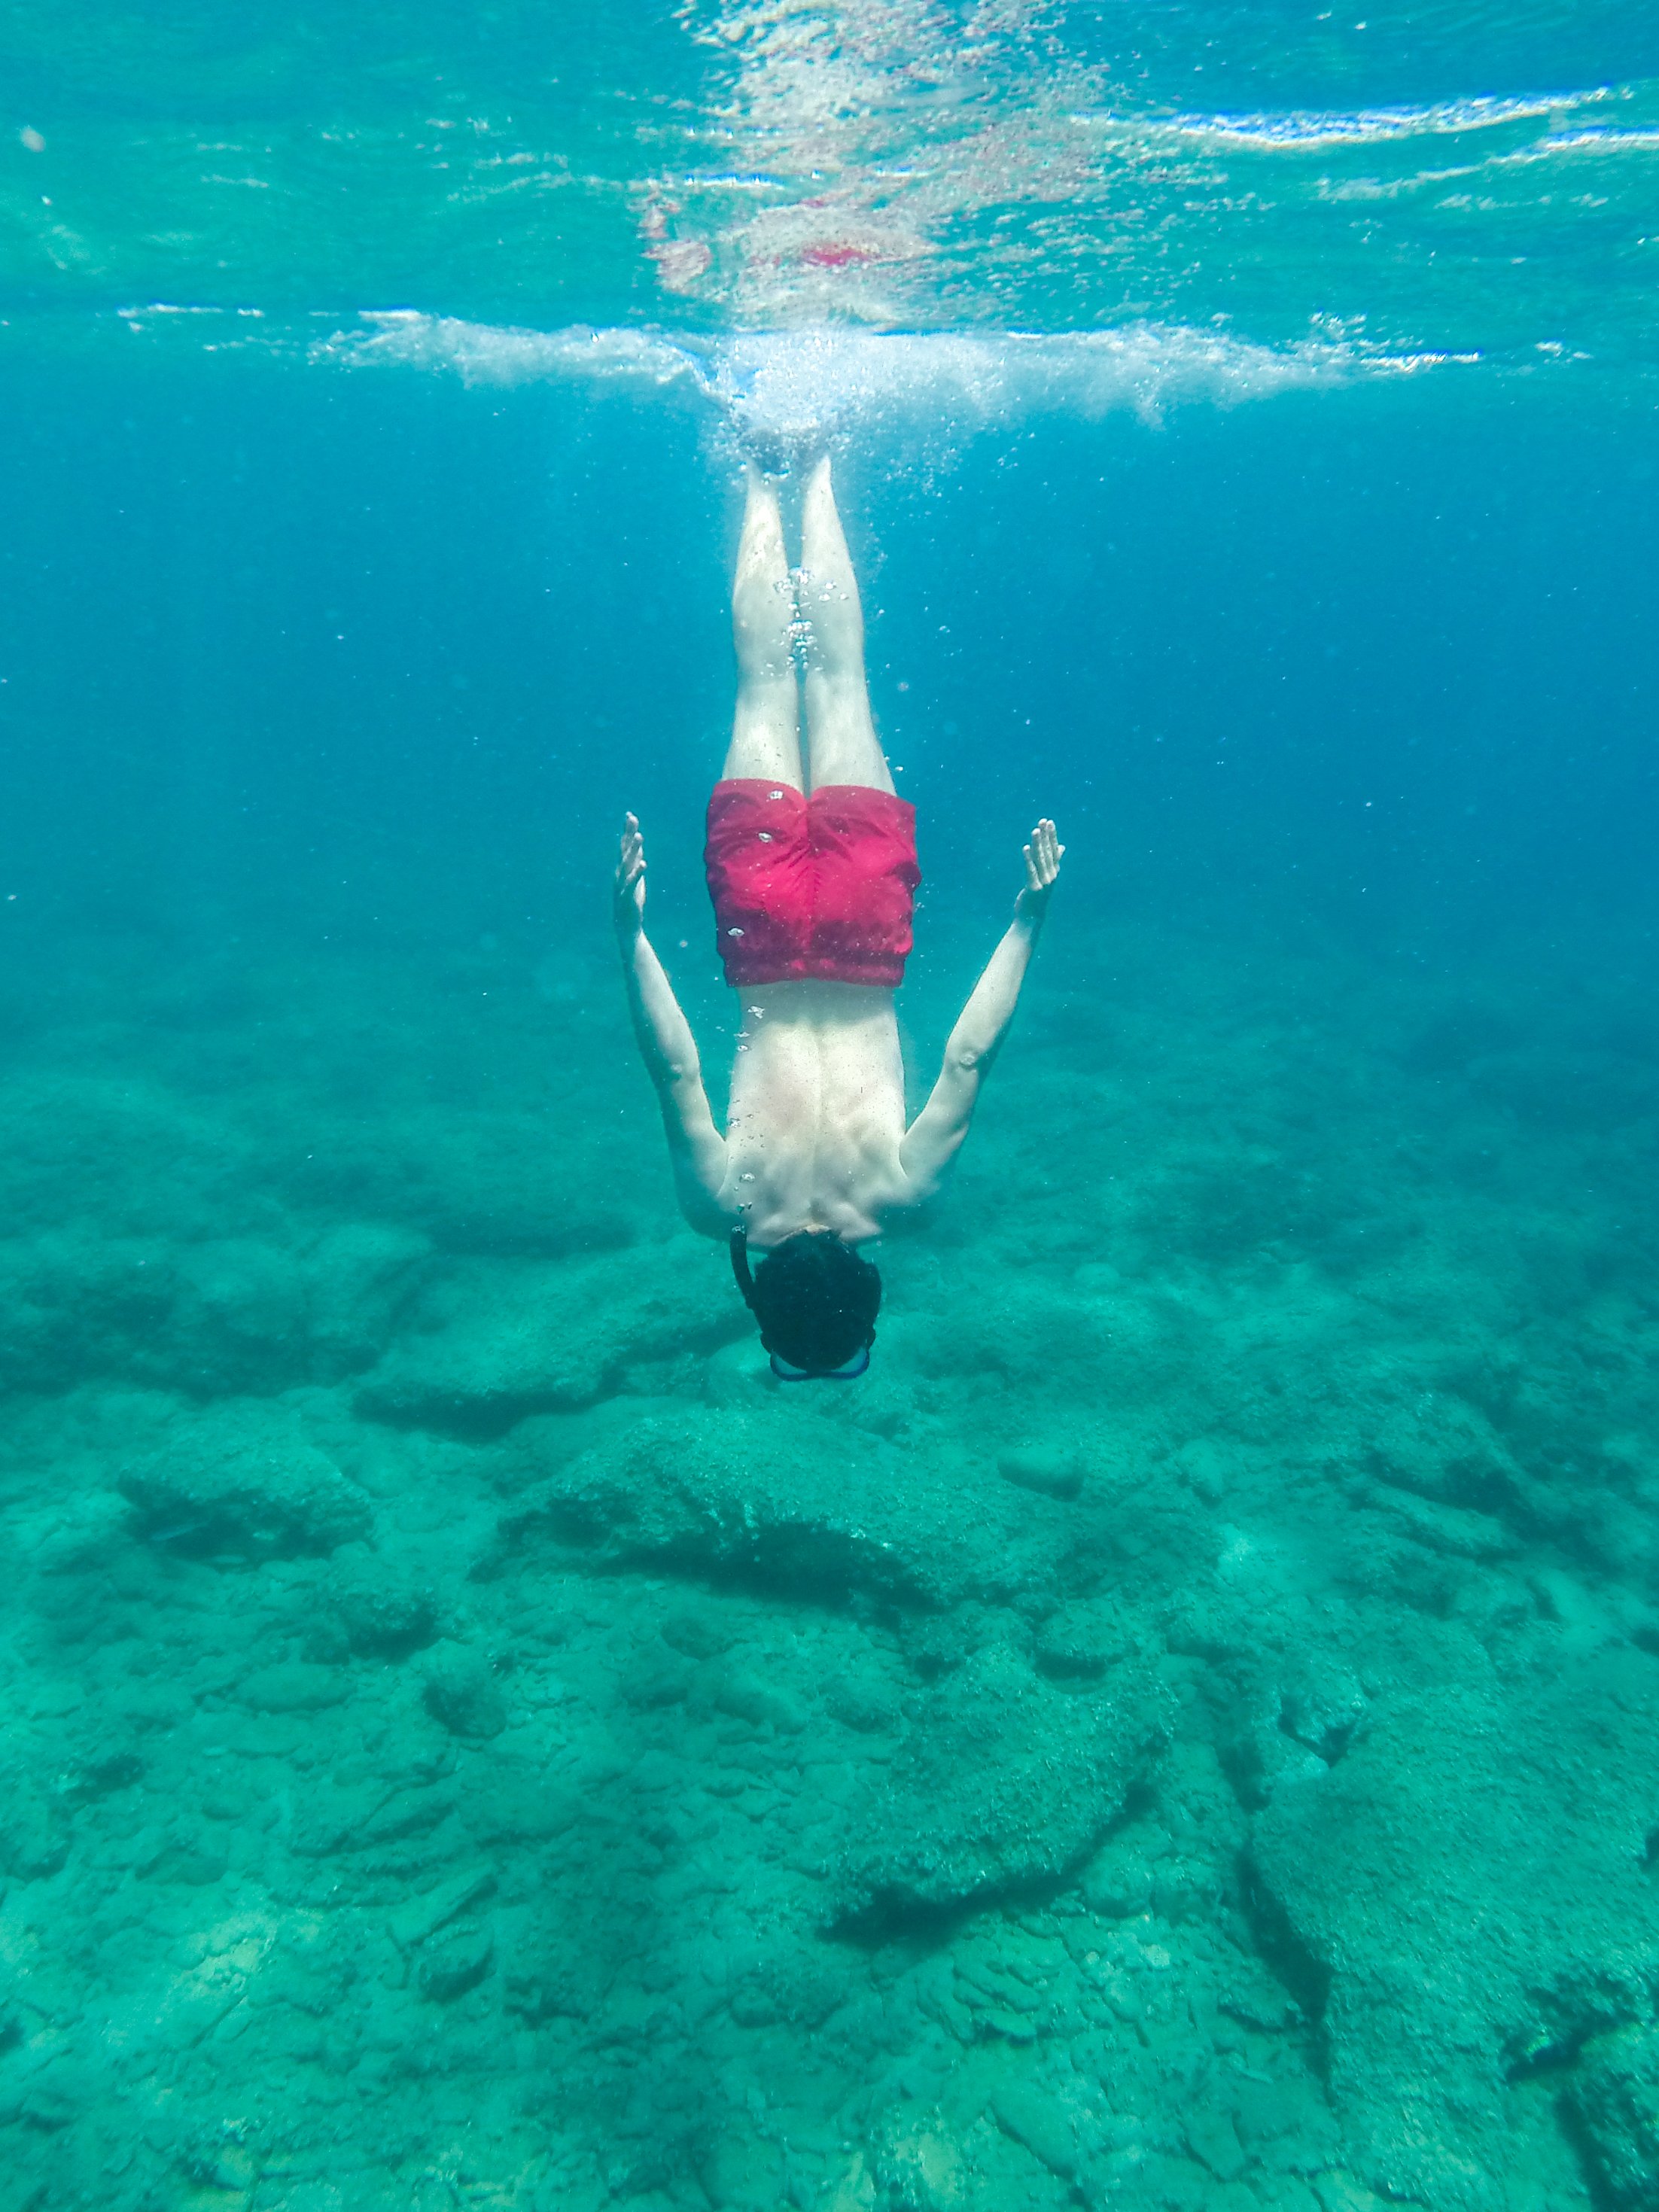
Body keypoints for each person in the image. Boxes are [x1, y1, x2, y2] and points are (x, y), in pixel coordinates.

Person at [613, 455, 1062, 1380]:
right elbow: (671, 1066)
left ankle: (814, 463)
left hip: (863, 938)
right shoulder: (720, 1209)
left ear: (865, 1296)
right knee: (763, 687)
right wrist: (630, 937)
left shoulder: (905, 1200)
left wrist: (1024, 921)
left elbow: (968, 1059)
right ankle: (757, 471)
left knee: (843, 684)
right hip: (764, 943)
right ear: (761, 1296)